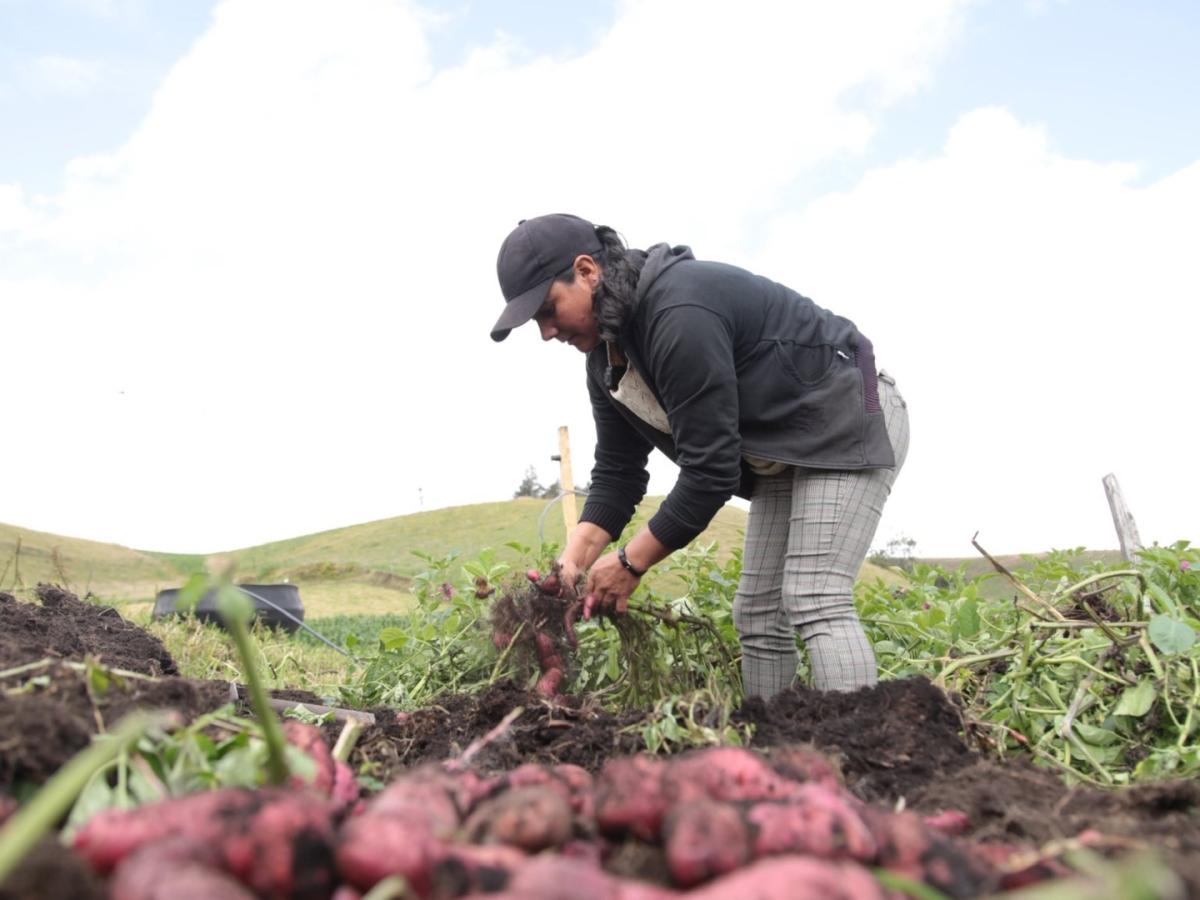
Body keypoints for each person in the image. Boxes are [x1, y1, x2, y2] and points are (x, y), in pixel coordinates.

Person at [490, 213, 909, 698]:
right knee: (757, 613)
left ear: (587, 272)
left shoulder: (677, 311)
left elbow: (711, 470)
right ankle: (775, 760)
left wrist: (629, 564)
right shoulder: (606, 357)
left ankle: (855, 760)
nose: (545, 332)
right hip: (782, 448)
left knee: (814, 596)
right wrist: (569, 570)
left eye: (547, 309)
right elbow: (618, 475)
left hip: (843, 414)